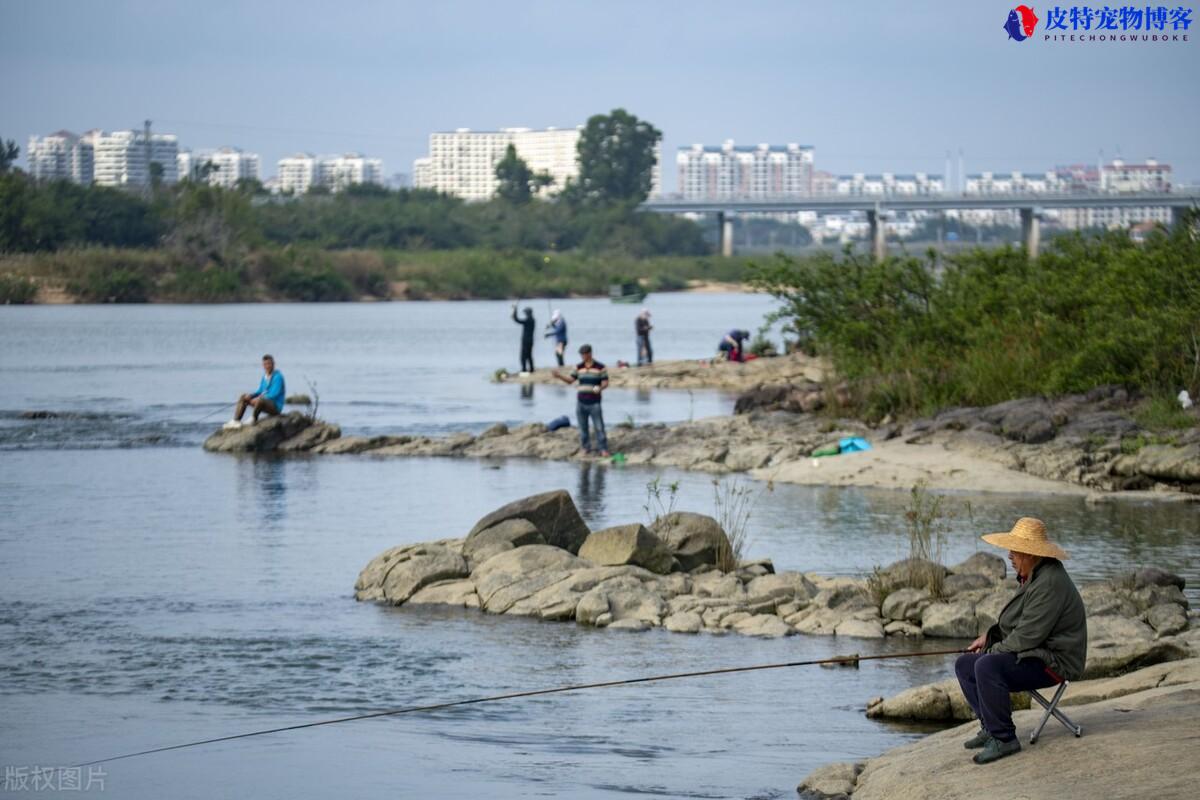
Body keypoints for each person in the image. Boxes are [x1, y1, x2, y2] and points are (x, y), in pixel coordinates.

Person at [954, 517, 1087, 765]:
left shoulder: (1049, 583)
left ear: (1030, 553)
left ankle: (1004, 739)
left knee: (986, 665)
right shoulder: (1036, 574)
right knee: (965, 664)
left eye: (1014, 552)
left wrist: (993, 651)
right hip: (1037, 653)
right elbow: (1019, 623)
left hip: (1055, 662)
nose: (1009, 557)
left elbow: (1027, 636)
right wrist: (988, 638)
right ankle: (990, 728)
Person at [554, 344, 609, 457]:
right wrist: (559, 376)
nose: (583, 356)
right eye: (581, 354)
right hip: (581, 402)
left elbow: (605, 382)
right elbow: (570, 380)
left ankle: (603, 449)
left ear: (590, 353)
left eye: (584, 354)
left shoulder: (600, 367)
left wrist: (600, 388)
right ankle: (585, 448)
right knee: (583, 427)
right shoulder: (578, 367)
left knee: (599, 427)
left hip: (595, 402)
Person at [225, 354, 286, 429]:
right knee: (244, 396)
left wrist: (259, 399)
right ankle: (236, 420)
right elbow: (260, 391)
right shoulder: (265, 377)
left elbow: (274, 394)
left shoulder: (278, 377)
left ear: (273, 364)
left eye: (269, 364)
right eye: (265, 364)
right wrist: (252, 396)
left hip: (275, 407)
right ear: (263, 365)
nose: (267, 366)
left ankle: (254, 418)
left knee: (261, 399)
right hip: (263, 403)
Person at [511, 304, 536, 373]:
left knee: (523, 356)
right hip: (530, 340)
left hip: (526, 340)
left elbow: (517, 320)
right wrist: (514, 313)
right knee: (529, 355)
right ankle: (531, 369)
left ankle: (524, 369)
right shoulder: (533, 320)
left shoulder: (528, 320)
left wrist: (515, 310)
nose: (525, 314)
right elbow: (517, 320)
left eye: (525, 313)